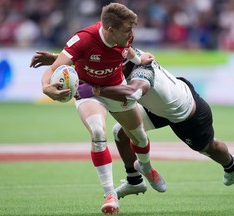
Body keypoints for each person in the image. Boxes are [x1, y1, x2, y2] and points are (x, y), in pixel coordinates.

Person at [30, 48, 234, 201]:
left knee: (208, 148)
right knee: (121, 133)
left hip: (185, 112)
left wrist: (97, 90)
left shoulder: (143, 70)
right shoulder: (121, 57)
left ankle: (231, 164)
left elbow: (132, 92)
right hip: (157, 106)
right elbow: (95, 61)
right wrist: (57, 59)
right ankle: (134, 180)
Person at [30, 3, 166, 215]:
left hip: (116, 89)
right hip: (88, 92)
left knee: (139, 137)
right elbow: (53, 69)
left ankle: (147, 169)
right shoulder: (83, 39)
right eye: (127, 30)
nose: (132, 34)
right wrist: (46, 87)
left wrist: (139, 59)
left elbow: (126, 50)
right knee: (97, 131)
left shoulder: (125, 35)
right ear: (110, 30)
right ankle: (110, 195)